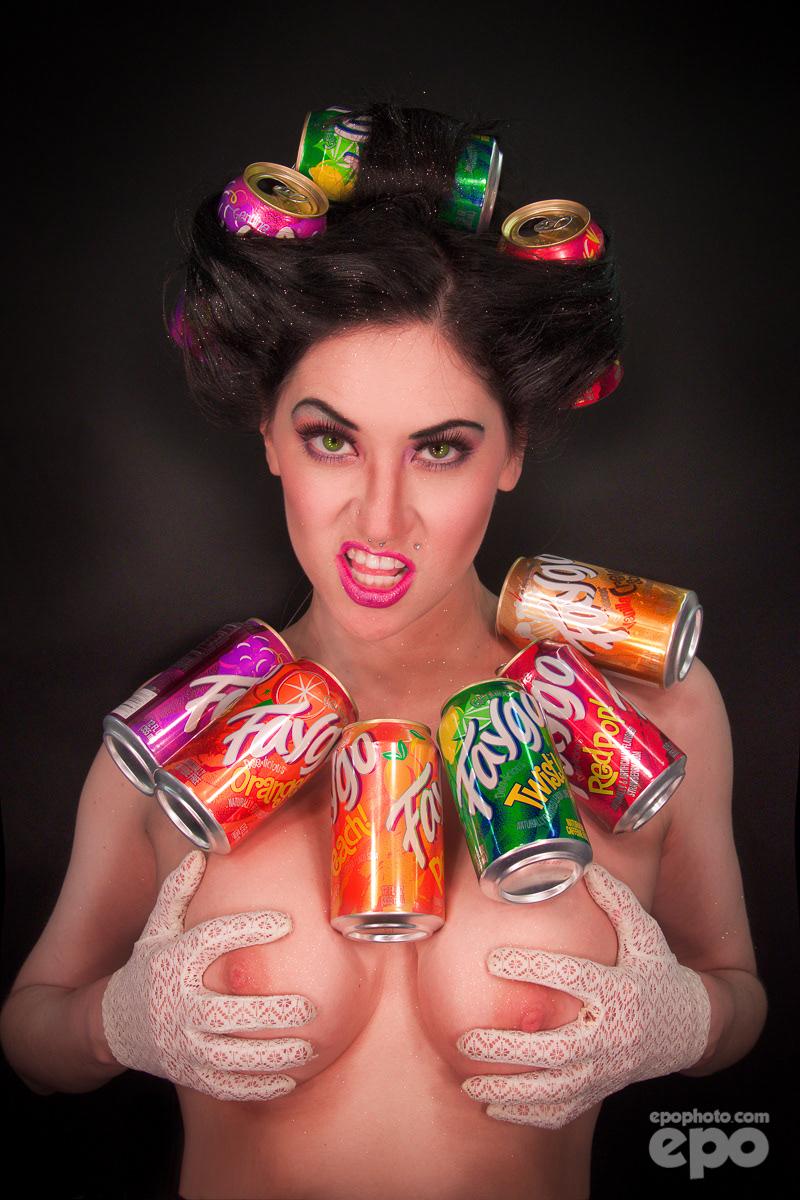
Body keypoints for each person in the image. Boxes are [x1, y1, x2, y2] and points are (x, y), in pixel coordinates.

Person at [0, 104, 766, 1200]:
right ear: (269, 435)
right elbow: (32, 1036)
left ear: (512, 451)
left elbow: (738, 992)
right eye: (331, 439)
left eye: (440, 449)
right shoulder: (180, 735)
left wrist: (689, 1021)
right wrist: (113, 1025)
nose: (379, 518)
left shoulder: (659, 713)